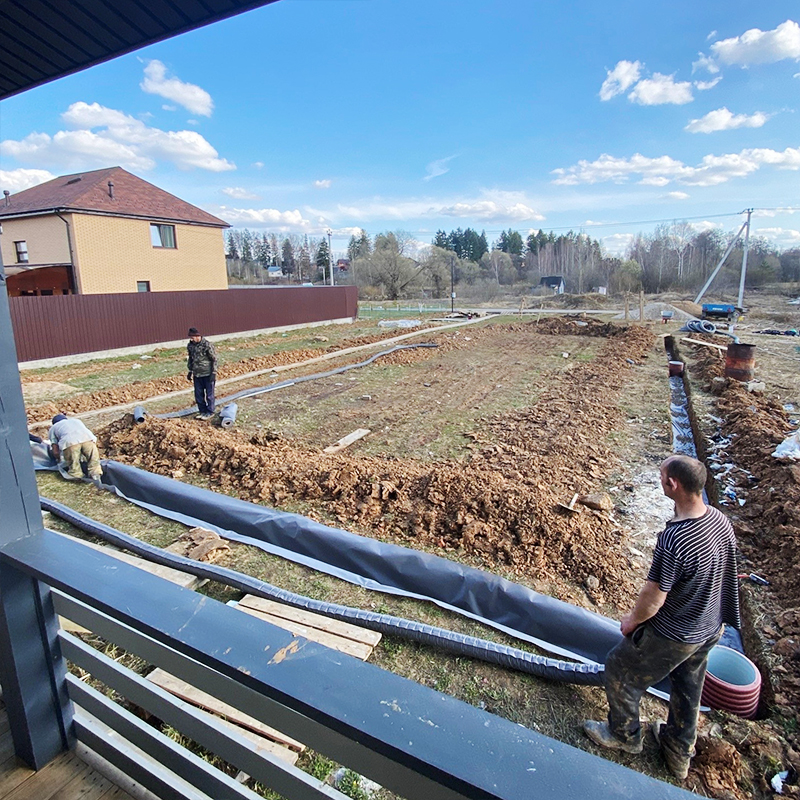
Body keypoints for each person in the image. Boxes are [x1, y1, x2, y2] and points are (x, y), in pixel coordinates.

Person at [583, 454, 740, 780]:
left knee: (620, 669)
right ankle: (678, 752)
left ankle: (624, 736)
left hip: (675, 634)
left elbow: (653, 598)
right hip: (709, 627)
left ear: (673, 484)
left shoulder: (675, 540)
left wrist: (632, 622)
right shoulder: (719, 521)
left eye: (661, 475)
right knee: (687, 686)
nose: (659, 479)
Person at [48, 413, 103, 481]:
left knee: (74, 466)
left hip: (70, 443)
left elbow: (55, 450)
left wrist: (58, 459)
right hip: (88, 439)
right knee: (93, 461)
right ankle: (96, 476)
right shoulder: (76, 421)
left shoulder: (53, 428)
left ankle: (77, 477)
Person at [186, 326, 217, 420]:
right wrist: (190, 371)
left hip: (207, 373)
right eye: (190, 337)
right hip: (197, 374)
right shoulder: (190, 346)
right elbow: (191, 359)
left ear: (198, 336)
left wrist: (214, 372)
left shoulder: (207, 345)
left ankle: (210, 411)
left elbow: (214, 359)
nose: (191, 339)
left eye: (193, 337)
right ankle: (202, 411)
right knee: (198, 394)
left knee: (209, 394)